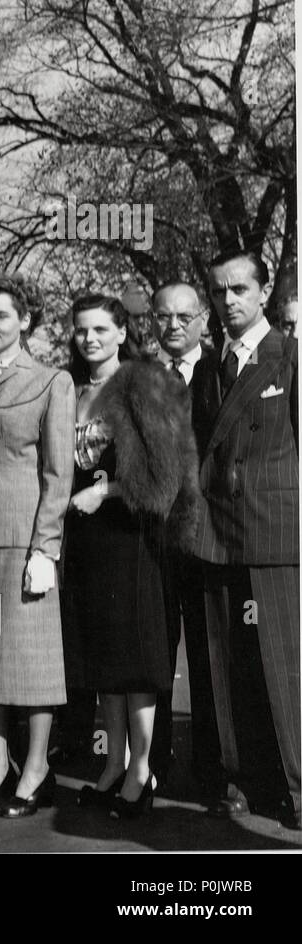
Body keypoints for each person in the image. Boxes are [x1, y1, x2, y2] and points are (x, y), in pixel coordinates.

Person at [61, 294, 199, 818]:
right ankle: (112, 765)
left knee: (135, 660)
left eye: (100, 329)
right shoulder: (73, 389)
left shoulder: (142, 385)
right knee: (104, 661)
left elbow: (164, 479)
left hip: (131, 541)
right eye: (80, 330)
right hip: (89, 545)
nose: (89, 338)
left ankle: (142, 769)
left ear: (122, 333)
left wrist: (106, 492)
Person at [0, 274, 74, 819]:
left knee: (33, 659)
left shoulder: (52, 381)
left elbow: (58, 471)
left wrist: (45, 549)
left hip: (25, 538)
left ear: (25, 320)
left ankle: (36, 767)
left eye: (1, 315)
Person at [190, 251, 299, 831]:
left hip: (275, 531)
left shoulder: (291, 357)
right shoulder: (210, 368)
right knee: (228, 667)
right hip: (218, 533)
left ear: (263, 294)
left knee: (285, 669)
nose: (228, 300)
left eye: (239, 289)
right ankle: (242, 780)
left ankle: (298, 789)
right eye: (219, 290)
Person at [148, 282, 225, 804]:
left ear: (202, 319)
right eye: (163, 316)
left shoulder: (223, 371)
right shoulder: (140, 377)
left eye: (183, 316)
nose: (173, 325)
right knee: (154, 655)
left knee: (208, 657)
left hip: (209, 536)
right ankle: (149, 767)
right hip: (151, 540)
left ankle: (216, 773)